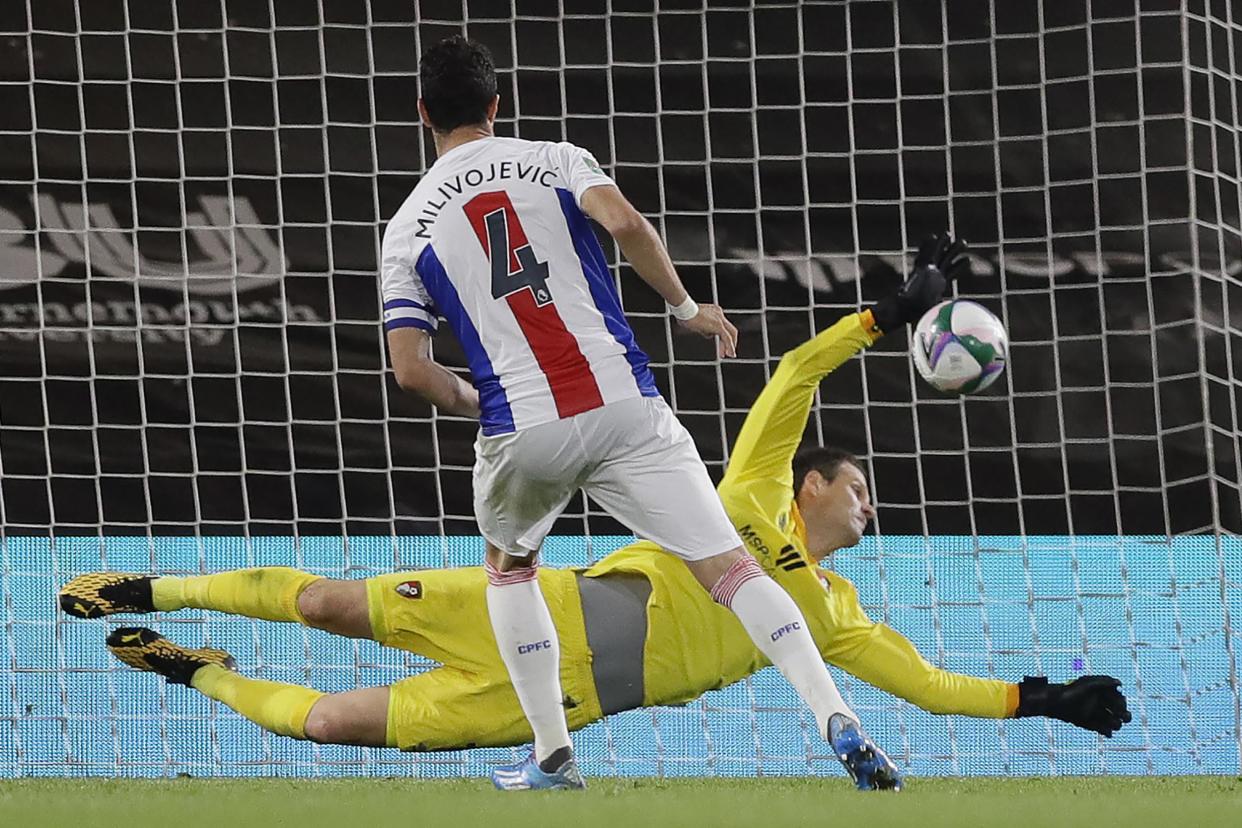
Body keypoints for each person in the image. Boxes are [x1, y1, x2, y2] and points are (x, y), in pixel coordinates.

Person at [58, 236, 1132, 788]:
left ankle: (191, 667)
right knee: (335, 605)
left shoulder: (833, 614)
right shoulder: (752, 489)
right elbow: (795, 377)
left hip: (554, 711)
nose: (871, 507)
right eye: (862, 487)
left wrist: (1047, 700)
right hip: (527, 613)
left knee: (335, 722)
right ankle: (151, 584)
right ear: (812, 484)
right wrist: (880, 320)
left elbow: (933, 686)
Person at [368, 32, 894, 790]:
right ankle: (834, 715)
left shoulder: (407, 226)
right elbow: (627, 226)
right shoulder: (555, 159)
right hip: (625, 406)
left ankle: (554, 756)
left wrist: (474, 398)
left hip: (522, 429)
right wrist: (684, 308)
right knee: (733, 569)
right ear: (496, 104)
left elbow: (412, 371)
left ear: (422, 114)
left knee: (511, 570)